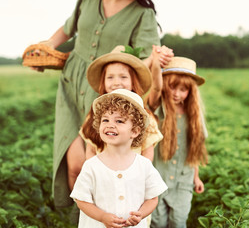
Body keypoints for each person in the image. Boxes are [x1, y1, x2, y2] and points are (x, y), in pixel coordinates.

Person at [29, 0, 171, 209]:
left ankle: (106, 216)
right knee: (73, 165)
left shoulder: (143, 12)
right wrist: (48, 44)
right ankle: (79, 219)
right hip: (71, 84)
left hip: (106, 92)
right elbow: (69, 27)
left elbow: (144, 60)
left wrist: (156, 58)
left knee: (89, 163)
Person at [70, 89, 168, 227]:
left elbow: (152, 198)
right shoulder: (92, 166)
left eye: (119, 121)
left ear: (134, 131)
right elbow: (82, 200)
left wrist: (141, 214)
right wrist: (102, 217)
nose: (110, 124)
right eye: (105, 120)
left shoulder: (143, 165)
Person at [80, 45, 172, 161]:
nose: (116, 82)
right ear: (103, 82)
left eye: (123, 77)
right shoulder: (96, 114)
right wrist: (96, 171)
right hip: (103, 176)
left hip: (132, 176)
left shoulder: (143, 116)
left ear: (133, 82)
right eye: (110, 77)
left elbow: (147, 154)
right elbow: (91, 150)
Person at [147, 56, 209, 228]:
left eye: (183, 89)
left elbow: (195, 149)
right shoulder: (157, 109)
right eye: (173, 87)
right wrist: (156, 64)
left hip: (184, 180)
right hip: (158, 179)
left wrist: (196, 177)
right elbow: (155, 87)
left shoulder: (194, 116)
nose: (177, 93)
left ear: (191, 91)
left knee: (178, 221)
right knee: (157, 222)